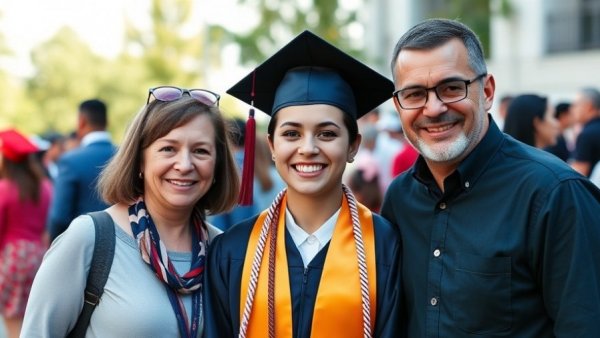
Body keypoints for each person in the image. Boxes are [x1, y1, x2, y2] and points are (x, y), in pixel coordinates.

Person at [382, 18, 600, 337]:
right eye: (414, 94)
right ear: (398, 106)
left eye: (451, 88)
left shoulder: (555, 195)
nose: (433, 108)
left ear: (486, 91)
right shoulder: (400, 199)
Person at [204, 31, 402, 338]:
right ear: (271, 145)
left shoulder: (386, 246)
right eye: (291, 134)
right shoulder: (232, 251)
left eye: (327, 134)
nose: (308, 148)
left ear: (353, 146)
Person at [20, 86, 240, 337]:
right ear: (140, 160)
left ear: (217, 166)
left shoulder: (221, 250)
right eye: (168, 148)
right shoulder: (91, 238)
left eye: (201, 151)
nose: (184, 165)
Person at [0, 129, 52, 338]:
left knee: (12, 322)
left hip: (12, 257)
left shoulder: (5, 188)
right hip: (38, 255)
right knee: (30, 318)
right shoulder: (45, 187)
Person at [47, 99, 116, 241]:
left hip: (83, 245)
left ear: (81, 121)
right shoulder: (127, 156)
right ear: (107, 122)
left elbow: (59, 217)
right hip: (124, 246)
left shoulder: (70, 160)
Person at [570, 87, 600, 177]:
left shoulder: (587, 134)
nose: (572, 110)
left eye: (575, 105)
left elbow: (578, 175)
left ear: (588, 106)